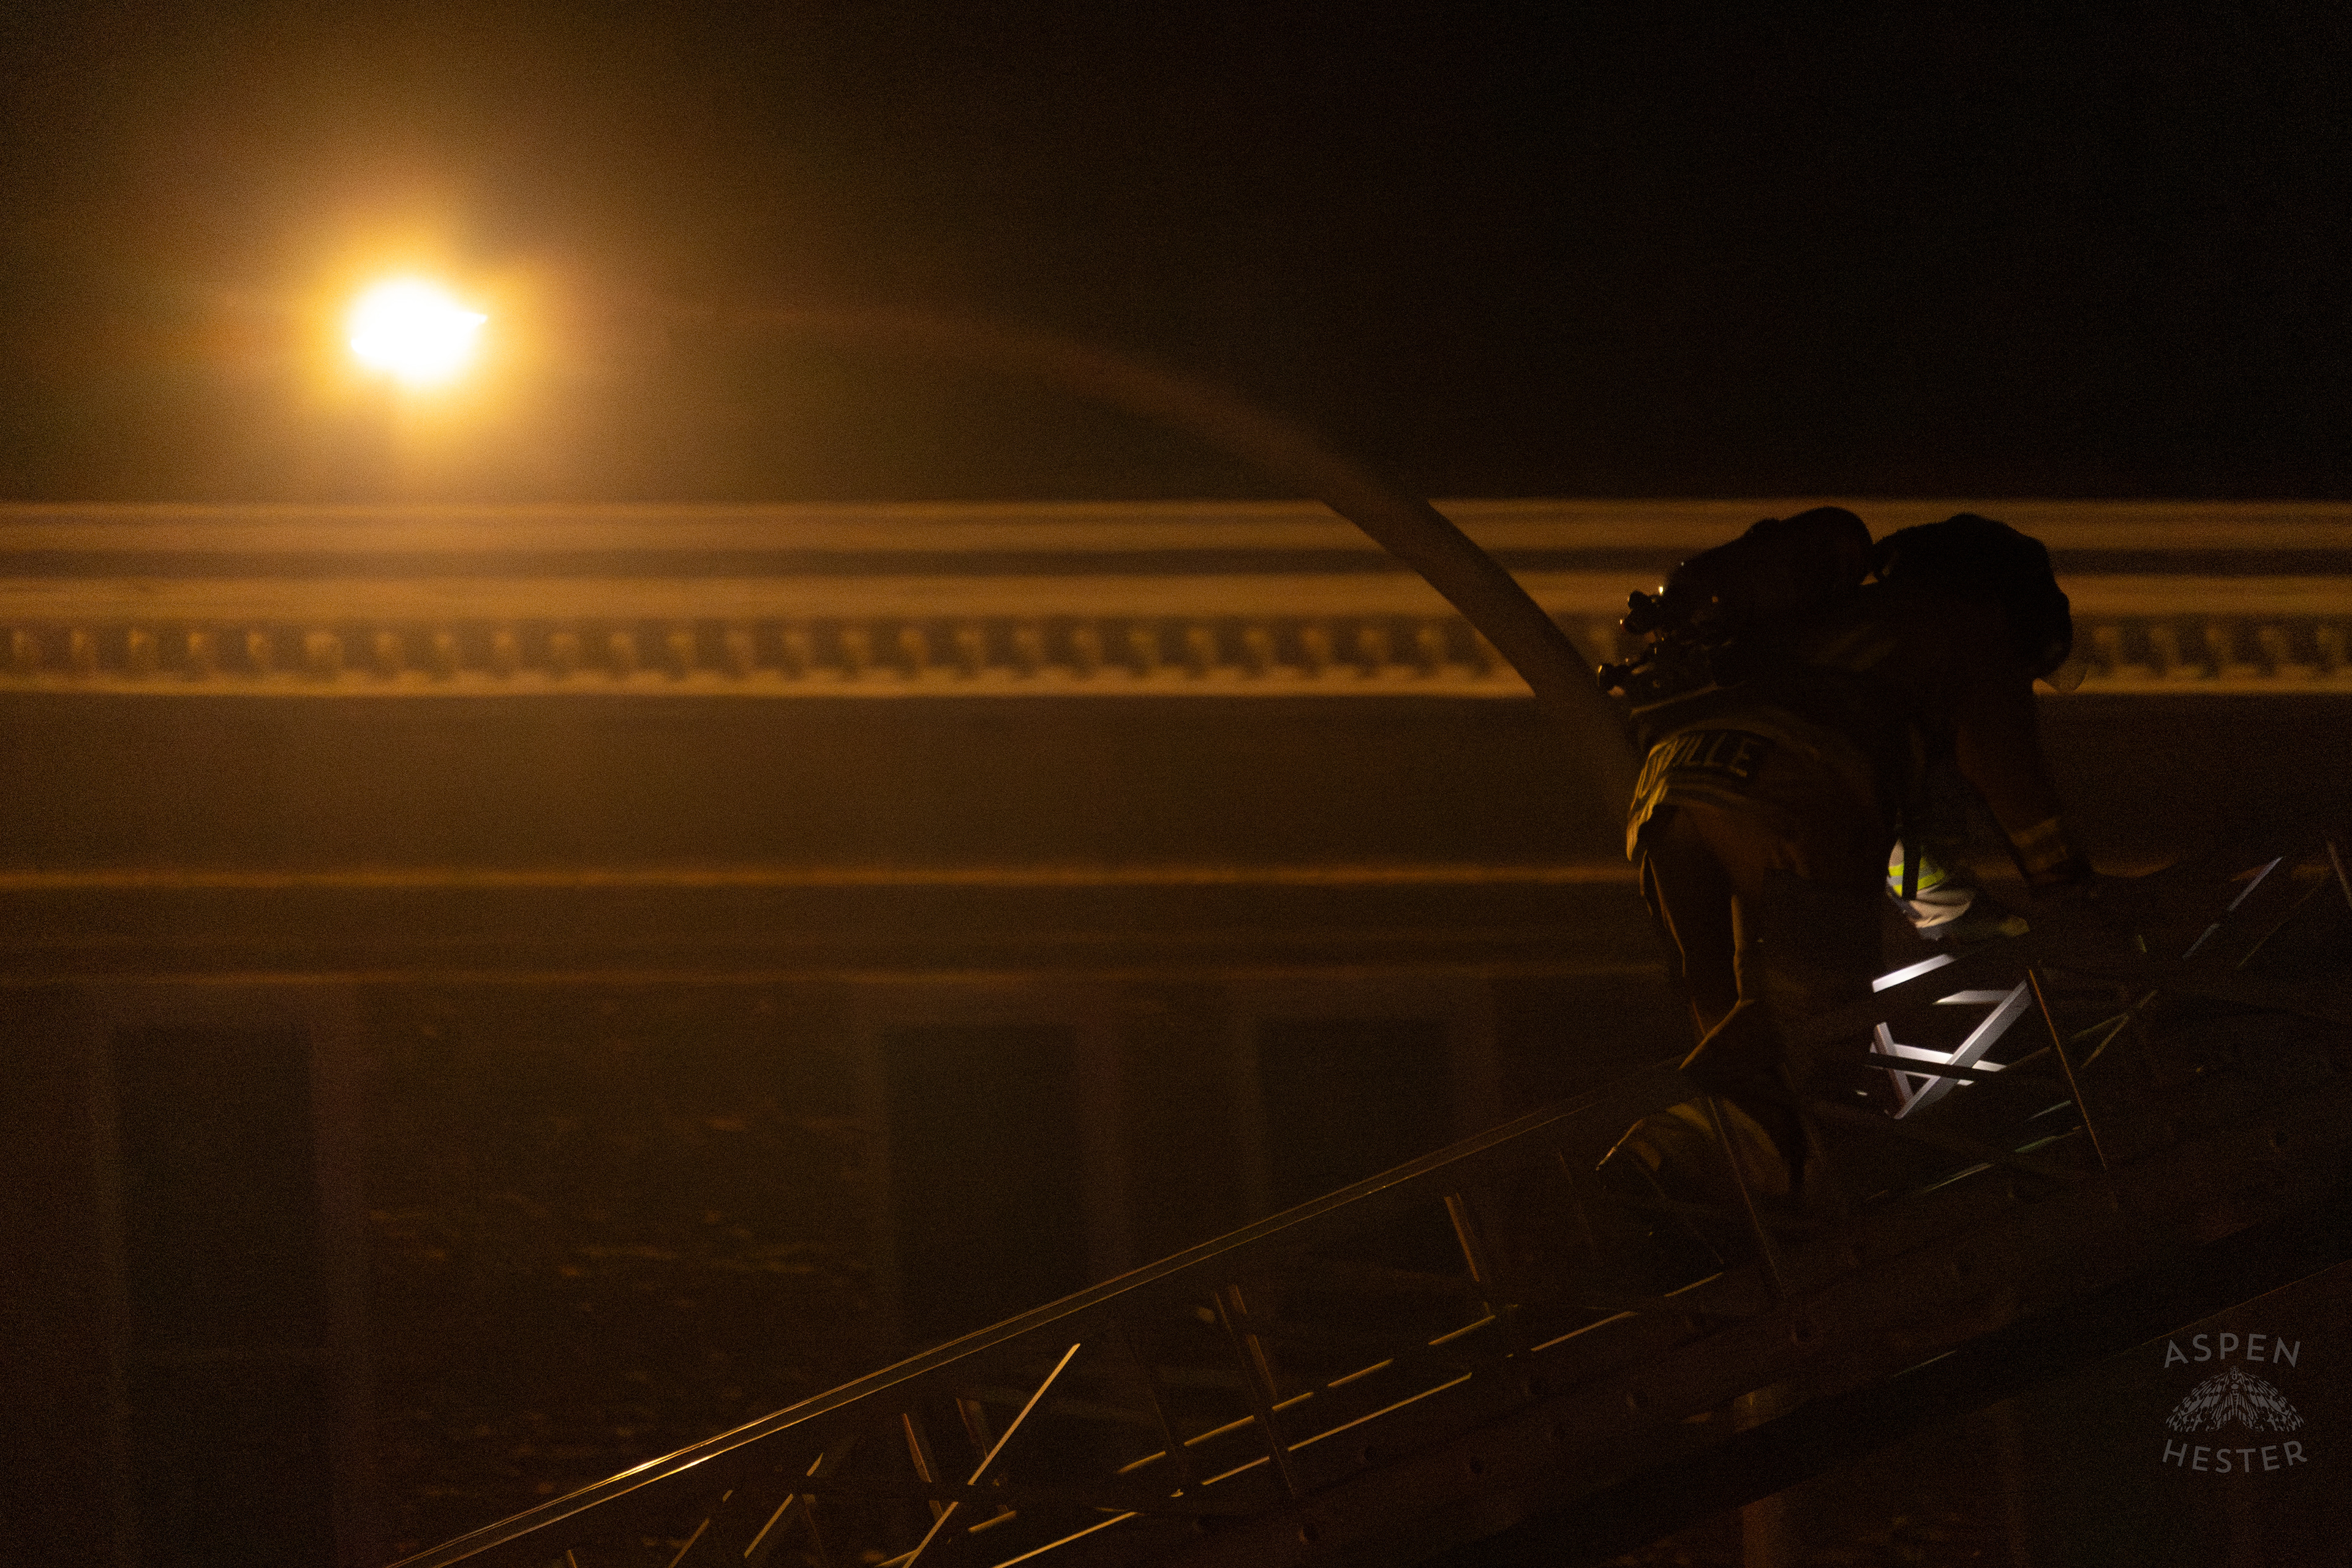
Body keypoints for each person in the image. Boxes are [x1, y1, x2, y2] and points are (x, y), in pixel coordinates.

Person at [1599, 510, 2090, 1201]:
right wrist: (2069, 890)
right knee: (1823, 1032)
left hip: (1666, 800)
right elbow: (2008, 773)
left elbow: (1902, 857)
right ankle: (1702, 1178)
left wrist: (1981, 925)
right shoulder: (1967, 629)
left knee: (1746, 1026)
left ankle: (1697, 1183)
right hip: (1792, 796)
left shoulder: (1829, 636)